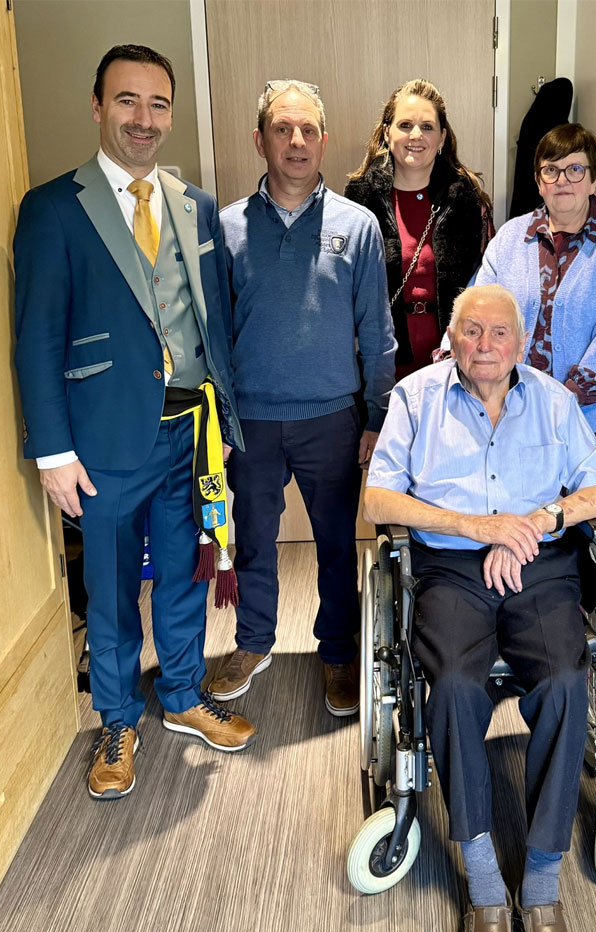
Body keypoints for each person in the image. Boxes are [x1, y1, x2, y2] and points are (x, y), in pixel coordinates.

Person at [364, 284, 596, 932]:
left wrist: (532, 522)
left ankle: (539, 887)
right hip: (451, 566)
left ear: (521, 340)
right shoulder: (414, 400)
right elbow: (377, 501)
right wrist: (480, 528)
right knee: (451, 684)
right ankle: (483, 888)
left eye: (499, 333)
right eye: (471, 331)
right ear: (451, 338)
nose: (485, 345)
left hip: (538, 565)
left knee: (567, 679)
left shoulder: (554, 402)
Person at [13, 44, 257, 801]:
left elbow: (211, 323)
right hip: (106, 439)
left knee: (185, 573)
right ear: (98, 107)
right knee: (113, 588)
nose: (143, 119)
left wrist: (226, 417)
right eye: (127, 101)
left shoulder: (195, 204)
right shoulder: (54, 208)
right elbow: (37, 336)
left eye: (157, 104)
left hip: (191, 433)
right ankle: (117, 719)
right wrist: (52, 450)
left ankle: (181, 693)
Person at [210, 79, 396, 716]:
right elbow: (214, 333)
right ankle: (253, 642)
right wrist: (221, 419)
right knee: (254, 541)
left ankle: (338, 650)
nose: (296, 141)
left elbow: (377, 332)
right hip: (252, 422)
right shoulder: (226, 228)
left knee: (338, 545)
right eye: (282, 129)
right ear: (259, 140)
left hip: (331, 419)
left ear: (324, 141)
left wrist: (377, 416)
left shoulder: (357, 226)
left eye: (308, 130)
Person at [474, 123, 596, 460]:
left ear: (593, 179)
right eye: (551, 170)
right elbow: (477, 312)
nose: (562, 180)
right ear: (539, 182)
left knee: (576, 497)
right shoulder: (510, 237)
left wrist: (560, 401)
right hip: (507, 414)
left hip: (589, 419)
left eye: (575, 169)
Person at [344, 79, 493, 379]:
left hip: (455, 357)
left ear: (442, 137)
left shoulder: (465, 198)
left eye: (427, 127)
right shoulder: (361, 197)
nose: (416, 135)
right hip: (381, 358)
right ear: (386, 132)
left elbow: (488, 280)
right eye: (405, 125)